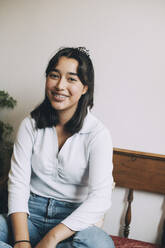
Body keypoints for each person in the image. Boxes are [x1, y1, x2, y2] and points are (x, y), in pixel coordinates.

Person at [0, 47, 115, 248]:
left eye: (72, 79)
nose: (60, 85)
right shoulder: (30, 124)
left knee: (98, 244)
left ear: (85, 87)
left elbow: (100, 198)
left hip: (72, 223)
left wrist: (51, 238)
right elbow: (18, 184)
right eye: (54, 76)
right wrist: (21, 241)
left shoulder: (98, 134)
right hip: (29, 215)